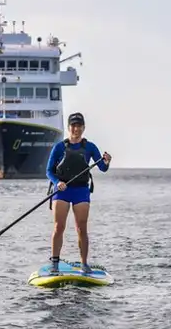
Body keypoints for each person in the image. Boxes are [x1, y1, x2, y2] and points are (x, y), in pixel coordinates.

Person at [45, 112, 111, 274]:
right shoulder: (59, 147)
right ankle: (55, 263)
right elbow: (48, 171)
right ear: (69, 128)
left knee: (81, 228)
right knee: (59, 227)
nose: (76, 129)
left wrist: (107, 161)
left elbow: (102, 168)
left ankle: (84, 263)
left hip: (81, 191)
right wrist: (57, 183)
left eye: (79, 126)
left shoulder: (90, 147)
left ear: (83, 128)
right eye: (73, 126)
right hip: (62, 191)